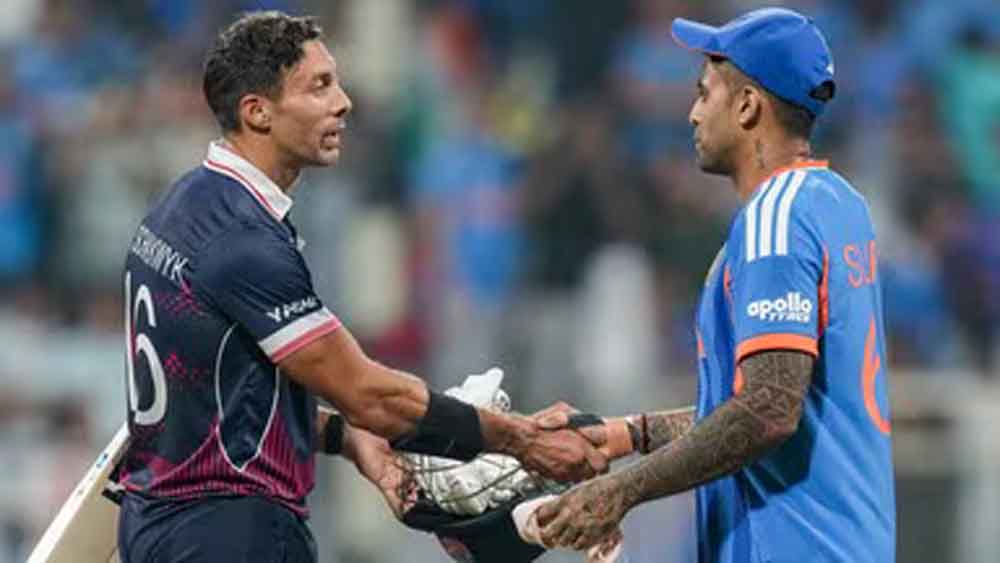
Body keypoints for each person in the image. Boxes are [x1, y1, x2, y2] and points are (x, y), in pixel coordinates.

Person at [114, 11, 607, 563]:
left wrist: (349, 439)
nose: (343, 103)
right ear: (258, 112)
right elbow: (367, 393)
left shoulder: (180, 208)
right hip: (232, 531)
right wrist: (520, 439)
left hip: (158, 523)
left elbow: (226, 401)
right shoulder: (244, 240)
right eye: (319, 87)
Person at [534, 8, 896, 562]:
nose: (693, 114)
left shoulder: (776, 221)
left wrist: (620, 492)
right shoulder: (840, 205)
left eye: (705, 94)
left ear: (747, 105)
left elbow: (768, 410)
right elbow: (774, 401)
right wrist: (631, 434)